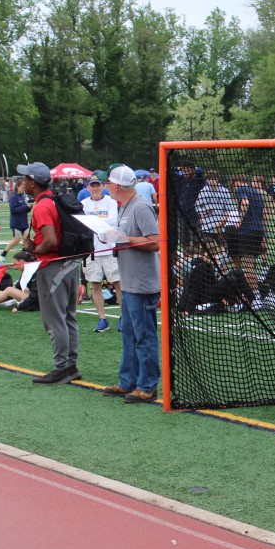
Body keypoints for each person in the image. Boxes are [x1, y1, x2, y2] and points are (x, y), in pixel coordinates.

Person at [100, 166, 161, 403]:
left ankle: (147, 385)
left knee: (143, 336)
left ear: (115, 186)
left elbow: (155, 242)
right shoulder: (126, 205)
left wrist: (123, 238)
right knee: (129, 334)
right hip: (130, 281)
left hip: (141, 283)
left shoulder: (140, 206)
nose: (106, 187)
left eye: (108, 183)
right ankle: (128, 381)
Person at [20, 161, 82, 385]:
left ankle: (61, 367)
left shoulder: (42, 206)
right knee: (68, 316)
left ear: (33, 183)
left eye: (25, 179)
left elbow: (50, 241)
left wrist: (33, 250)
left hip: (53, 266)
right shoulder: (54, 200)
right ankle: (70, 365)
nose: (22, 182)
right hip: (69, 264)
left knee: (54, 320)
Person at [81, 170, 121, 332]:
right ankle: (102, 319)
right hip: (91, 251)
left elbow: (113, 220)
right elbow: (81, 224)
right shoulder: (83, 203)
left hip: (110, 249)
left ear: (103, 186)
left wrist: (92, 221)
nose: (95, 188)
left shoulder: (111, 202)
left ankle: (123, 317)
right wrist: (99, 222)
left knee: (118, 283)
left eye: (98, 185)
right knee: (95, 284)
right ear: (88, 187)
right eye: (92, 185)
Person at [226, 173, 266, 295]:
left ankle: (255, 296)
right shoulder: (257, 193)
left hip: (247, 231)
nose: (234, 189)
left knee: (248, 266)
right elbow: (264, 214)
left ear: (236, 182)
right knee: (252, 264)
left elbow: (245, 203)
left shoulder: (241, 189)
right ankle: (253, 293)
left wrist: (239, 221)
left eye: (233, 186)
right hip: (258, 231)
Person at [2, 178, 32, 257]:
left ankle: (24, 255)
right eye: (22, 187)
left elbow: (24, 210)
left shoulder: (22, 196)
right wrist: (25, 207)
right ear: (17, 186)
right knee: (17, 240)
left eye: (24, 187)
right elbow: (13, 210)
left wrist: (29, 208)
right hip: (17, 223)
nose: (24, 189)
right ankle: (3, 253)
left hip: (24, 222)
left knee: (27, 240)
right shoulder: (13, 197)